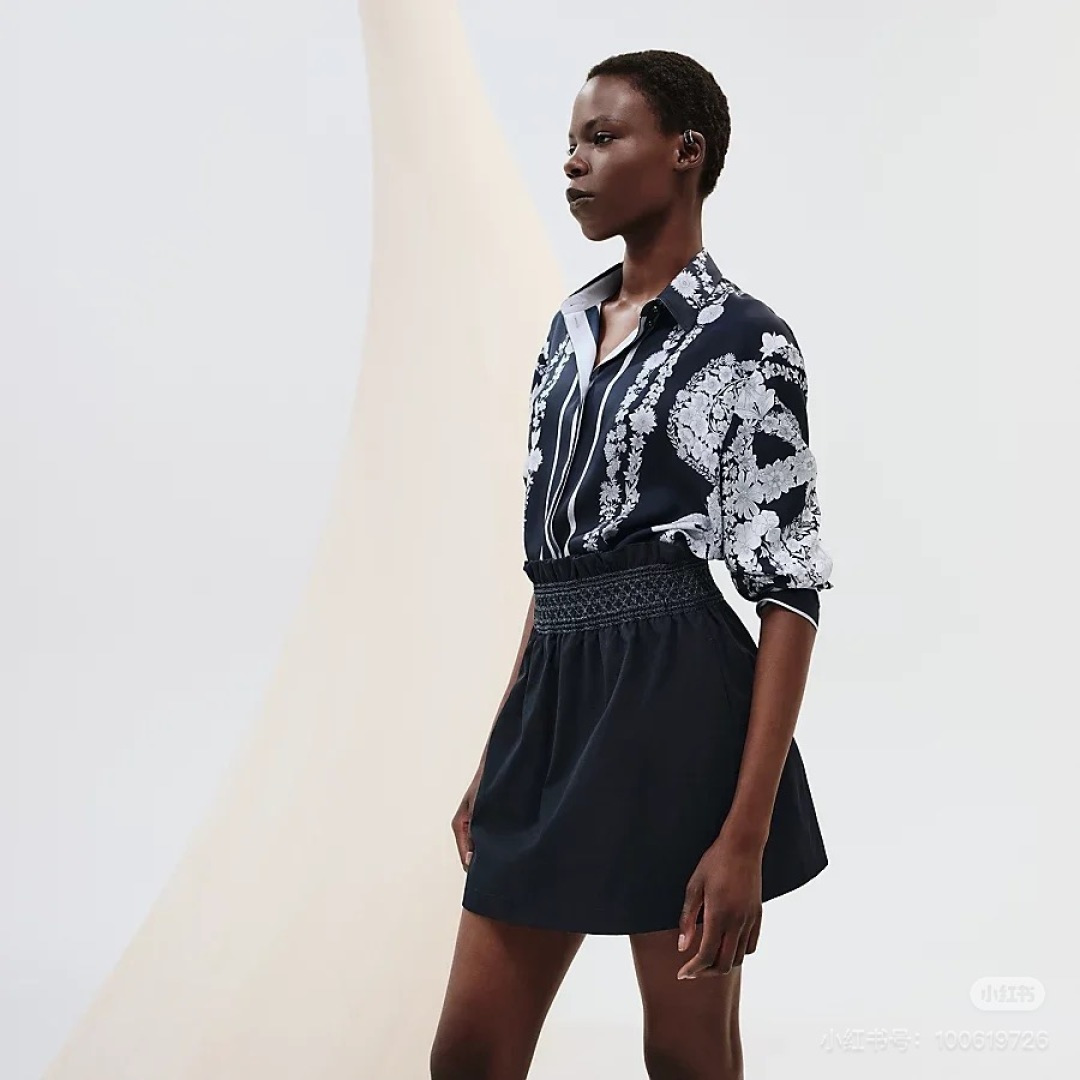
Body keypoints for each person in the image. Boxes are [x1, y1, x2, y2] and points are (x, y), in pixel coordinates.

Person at [430, 48, 834, 1080]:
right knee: (468, 1055)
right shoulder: (566, 331)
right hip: (555, 699)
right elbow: (556, 566)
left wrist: (743, 837)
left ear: (686, 152)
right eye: (570, 142)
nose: (573, 162)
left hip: (677, 705)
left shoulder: (748, 340)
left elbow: (789, 590)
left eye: (603, 138)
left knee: (687, 1054)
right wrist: (501, 749)